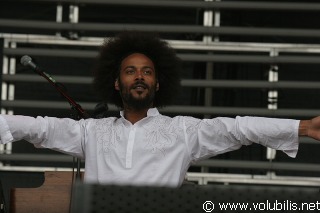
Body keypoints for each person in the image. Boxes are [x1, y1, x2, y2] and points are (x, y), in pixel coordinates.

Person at [0, 31, 320, 188]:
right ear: (116, 83)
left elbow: (237, 128)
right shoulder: (91, 132)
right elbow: (37, 127)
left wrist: (302, 128)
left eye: (147, 71)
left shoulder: (182, 130)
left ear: (156, 85)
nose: (139, 76)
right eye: (130, 71)